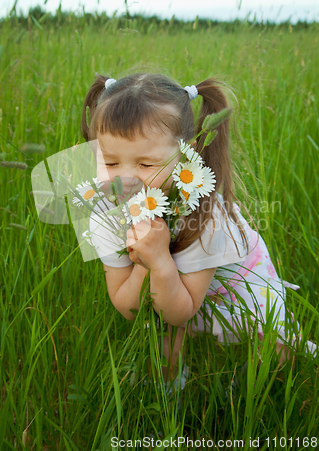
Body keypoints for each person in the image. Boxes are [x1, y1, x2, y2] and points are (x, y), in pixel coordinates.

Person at [80, 72, 316, 388]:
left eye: (145, 165)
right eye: (110, 163)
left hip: (237, 282)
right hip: (175, 288)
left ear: (186, 155)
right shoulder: (106, 210)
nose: (125, 179)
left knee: (272, 349)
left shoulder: (205, 216)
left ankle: (272, 392)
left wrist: (160, 262)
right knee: (161, 327)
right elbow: (130, 307)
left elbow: (182, 311)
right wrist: (146, 266)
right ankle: (168, 394)